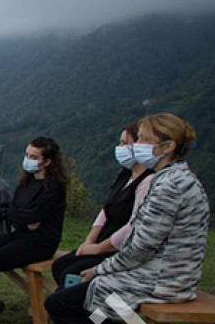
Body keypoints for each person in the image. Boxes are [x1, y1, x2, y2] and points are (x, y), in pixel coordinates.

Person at [45, 113, 207, 324]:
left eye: (144, 140)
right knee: (75, 291)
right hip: (169, 272)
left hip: (164, 278)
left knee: (61, 302)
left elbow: (140, 247)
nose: (137, 146)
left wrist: (100, 269)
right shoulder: (174, 179)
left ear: (167, 147)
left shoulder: (168, 186)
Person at [0, 137, 68, 324]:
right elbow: (11, 211)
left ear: (47, 161)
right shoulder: (27, 182)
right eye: (27, 155)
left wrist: (23, 216)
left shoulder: (54, 187)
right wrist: (24, 218)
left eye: (34, 157)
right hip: (22, 234)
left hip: (42, 242)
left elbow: (34, 215)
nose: (28, 159)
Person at [51, 122, 154, 286]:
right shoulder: (125, 175)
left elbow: (135, 224)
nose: (120, 147)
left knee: (72, 273)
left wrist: (99, 248)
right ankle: (82, 299)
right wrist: (90, 240)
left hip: (119, 249)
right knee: (59, 265)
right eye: (120, 142)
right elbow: (106, 209)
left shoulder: (148, 181)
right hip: (103, 239)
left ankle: (100, 302)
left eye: (125, 143)